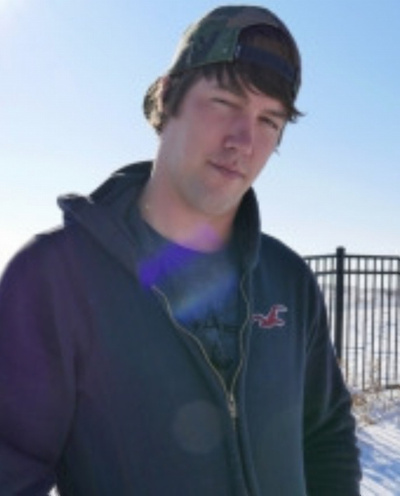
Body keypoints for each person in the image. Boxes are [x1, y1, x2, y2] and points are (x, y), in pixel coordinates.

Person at [0, 5, 361, 495]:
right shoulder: (54, 279)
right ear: (168, 96)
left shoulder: (288, 279)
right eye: (224, 102)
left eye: (269, 120)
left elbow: (325, 436)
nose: (243, 141)